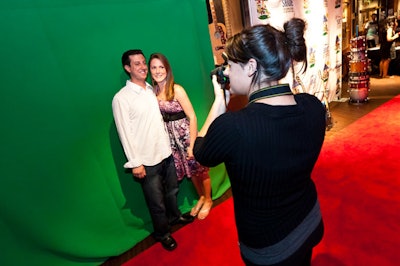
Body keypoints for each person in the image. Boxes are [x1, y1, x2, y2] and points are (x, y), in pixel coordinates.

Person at [193, 18, 326, 266]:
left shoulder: (233, 127)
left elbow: (200, 152)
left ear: (251, 66)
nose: (227, 73)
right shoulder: (314, 107)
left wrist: (219, 103)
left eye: (230, 65)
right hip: (309, 221)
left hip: (269, 247)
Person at [112, 49, 193, 252]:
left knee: (173, 191)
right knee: (156, 202)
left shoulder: (151, 89)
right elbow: (124, 133)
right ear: (127, 68)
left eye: (143, 62)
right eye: (136, 64)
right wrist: (135, 162)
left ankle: (175, 217)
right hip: (147, 162)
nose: (142, 67)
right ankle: (163, 233)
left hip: (167, 153)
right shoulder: (122, 98)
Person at [148, 53, 213, 220]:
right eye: (154, 67)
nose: (158, 71)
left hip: (186, 136)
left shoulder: (177, 89)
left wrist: (192, 144)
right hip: (171, 140)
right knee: (189, 171)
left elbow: (192, 116)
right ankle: (201, 197)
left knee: (200, 170)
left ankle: (209, 200)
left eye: (161, 67)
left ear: (167, 69)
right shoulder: (152, 91)